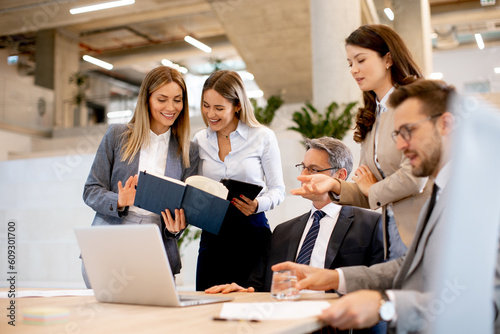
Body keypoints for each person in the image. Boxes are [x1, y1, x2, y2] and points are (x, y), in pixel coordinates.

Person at [274, 80, 500, 333]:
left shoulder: (486, 194)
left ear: (445, 124)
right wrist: (334, 278)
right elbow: (409, 267)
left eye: (408, 131)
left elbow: (488, 300)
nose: (401, 145)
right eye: (396, 135)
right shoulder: (439, 195)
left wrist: (386, 306)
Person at [206, 137, 385, 334]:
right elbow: (257, 287)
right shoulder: (282, 231)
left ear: (340, 176)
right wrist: (243, 294)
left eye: (313, 170)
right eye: (303, 167)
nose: (303, 176)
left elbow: (380, 290)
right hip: (283, 324)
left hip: (336, 324)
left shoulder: (371, 225)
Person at [321, 24, 431, 260]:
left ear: (388, 59)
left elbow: (414, 178)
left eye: (361, 60)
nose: (354, 69)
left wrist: (371, 188)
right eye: (350, 63)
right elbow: (368, 191)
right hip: (390, 234)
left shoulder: (414, 103)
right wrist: (333, 186)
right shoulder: (373, 116)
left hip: (426, 232)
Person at [82, 66, 198, 288]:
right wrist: (119, 200)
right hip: (111, 239)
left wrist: (176, 227)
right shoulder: (117, 135)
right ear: (147, 99)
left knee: (155, 320)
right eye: (162, 99)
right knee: (107, 319)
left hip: (157, 243)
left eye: (177, 100)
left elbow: (185, 209)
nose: (171, 107)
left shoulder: (188, 151)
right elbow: (91, 190)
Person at [193, 70, 285, 291]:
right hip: (213, 237)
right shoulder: (199, 140)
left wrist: (257, 205)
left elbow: (278, 190)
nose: (210, 114)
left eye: (219, 108)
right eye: (206, 105)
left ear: (237, 106)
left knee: (251, 305)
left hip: (251, 234)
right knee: (207, 307)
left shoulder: (262, 137)